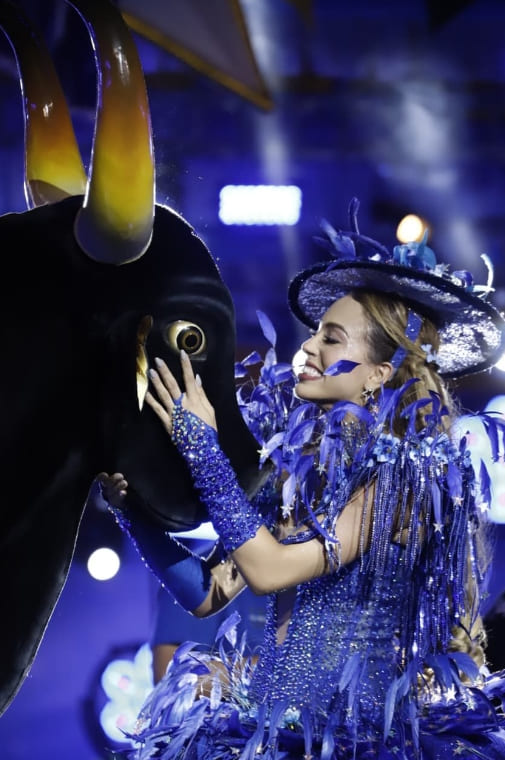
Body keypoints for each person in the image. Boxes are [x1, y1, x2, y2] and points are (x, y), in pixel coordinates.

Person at [100, 198, 505, 759]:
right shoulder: (297, 472)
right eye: (315, 332)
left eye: (332, 338)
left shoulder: (404, 482)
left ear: (378, 373)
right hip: (273, 737)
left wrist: (203, 449)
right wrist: (132, 515)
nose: (308, 347)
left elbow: (270, 571)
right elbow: (208, 592)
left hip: (354, 744)